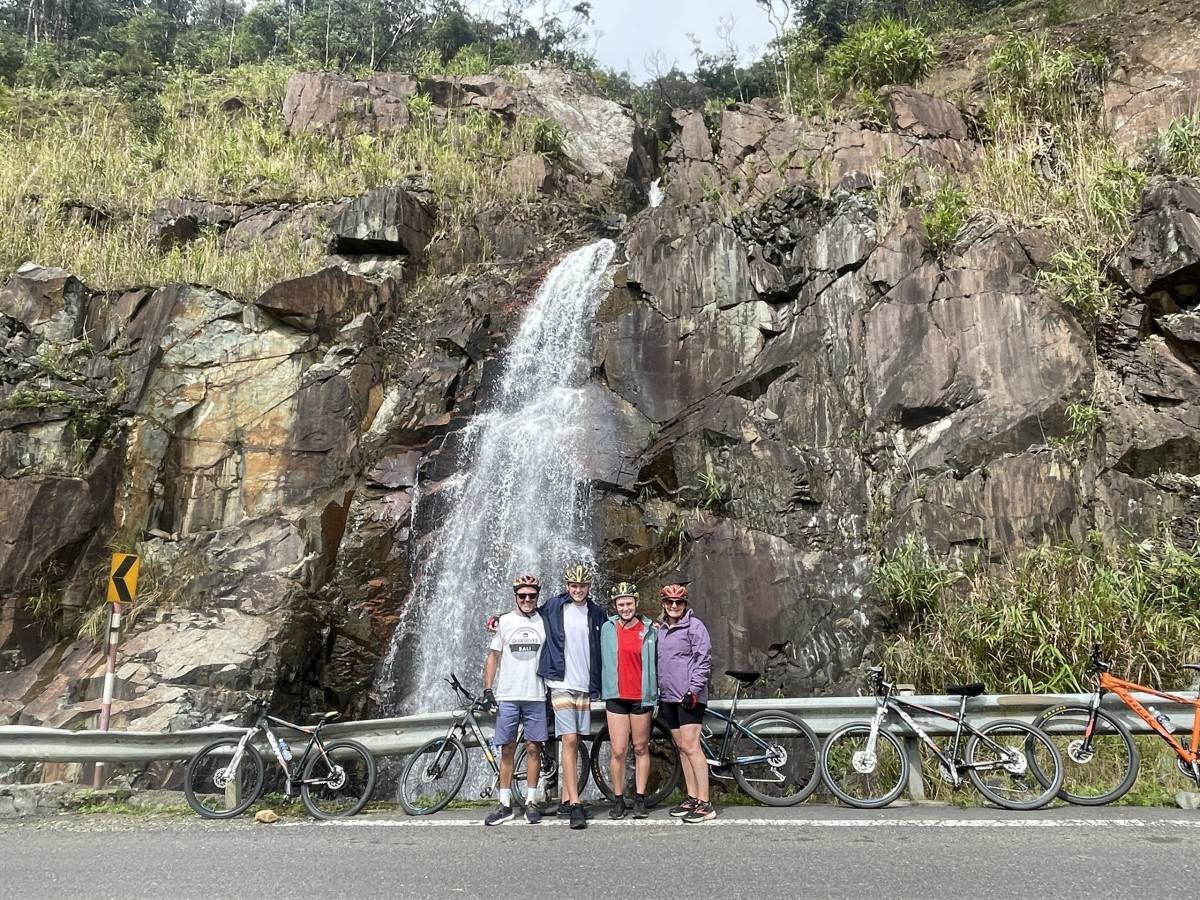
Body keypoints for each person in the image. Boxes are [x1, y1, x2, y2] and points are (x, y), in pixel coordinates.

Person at [537, 562, 606, 830]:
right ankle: (576, 804)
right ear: (567, 586)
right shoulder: (554, 606)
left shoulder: (596, 613)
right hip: (560, 681)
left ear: (589, 587)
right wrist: (498, 618)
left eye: (582, 586)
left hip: (584, 685)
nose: (578, 590)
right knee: (568, 739)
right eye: (574, 585)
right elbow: (528, 614)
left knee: (575, 740)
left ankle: (566, 800)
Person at [481, 575, 548, 825]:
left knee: (533, 748)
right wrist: (488, 690)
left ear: (537, 596)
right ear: (516, 597)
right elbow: (493, 656)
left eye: (532, 595)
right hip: (508, 695)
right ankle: (505, 804)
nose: (527, 599)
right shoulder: (505, 622)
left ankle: (531, 801)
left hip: (536, 694)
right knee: (507, 749)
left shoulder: (545, 620)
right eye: (522, 595)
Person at [656, 579, 715, 823]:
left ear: (685, 604)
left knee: (691, 746)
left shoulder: (695, 626)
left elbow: (704, 660)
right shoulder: (659, 629)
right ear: (663, 603)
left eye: (678, 602)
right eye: (670, 602)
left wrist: (693, 690)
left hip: (690, 696)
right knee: (681, 746)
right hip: (668, 696)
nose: (674, 606)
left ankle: (705, 803)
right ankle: (692, 797)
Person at [599, 581, 658, 820]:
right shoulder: (607, 628)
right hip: (616, 695)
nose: (625, 608)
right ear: (615, 606)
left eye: (629, 603)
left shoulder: (649, 629)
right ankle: (618, 799)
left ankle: (640, 799)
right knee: (618, 750)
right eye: (621, 604)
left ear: (636, 603)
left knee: (641, 747)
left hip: (641, 695)